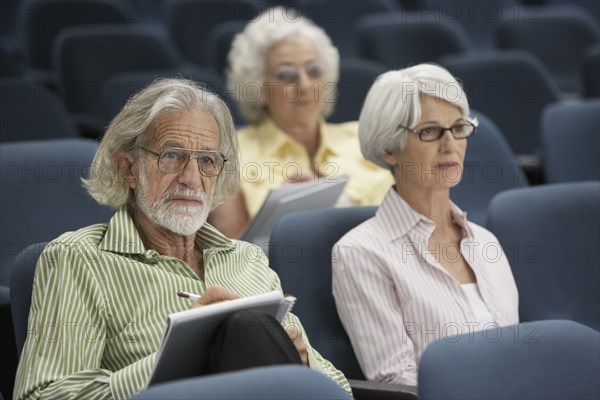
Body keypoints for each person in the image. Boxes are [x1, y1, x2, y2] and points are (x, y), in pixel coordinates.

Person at [13, 79, 350, 400]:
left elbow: (339, 389)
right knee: (244, 326)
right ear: (129, 168)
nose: (191, 178)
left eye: (207, 160)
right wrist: (177, 354)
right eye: (172, 156)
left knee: (250, 328)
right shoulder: (78, 259)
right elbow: (47, 395)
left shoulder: (247, 259)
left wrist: (304, 361)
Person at [332, 64, 519, 386]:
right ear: (388, 149)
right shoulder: (359, 253)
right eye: (430, 131)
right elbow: (396, 379)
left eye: (459, 127)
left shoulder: (485, 241)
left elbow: (519, 358)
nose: (450, 145)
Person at [208, 7, 393, 238]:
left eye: (314, 71)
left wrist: (339, 206)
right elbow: (231, 260)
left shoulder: (365, 137)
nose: (304, 85)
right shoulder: (228, 154)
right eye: (286, 74)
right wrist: (284, 218)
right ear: (257, 85)